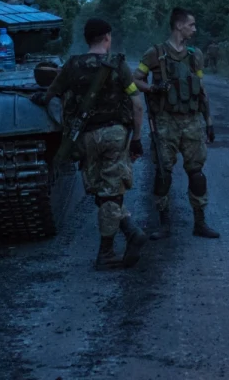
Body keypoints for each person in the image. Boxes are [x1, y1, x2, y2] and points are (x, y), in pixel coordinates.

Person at [32, 18, 148, 270]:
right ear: (106, 37)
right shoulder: (118, 65)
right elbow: (137, 104)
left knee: (100, 190)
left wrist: (42, 97)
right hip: (115, 135)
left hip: (84, 138)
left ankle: (129, 230)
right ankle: (107, 251)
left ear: (87, 38)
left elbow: (51, 94)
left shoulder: (72, 65)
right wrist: (137, 139)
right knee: (111, 191)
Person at [134, 7, 220, 239]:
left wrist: (208, 120)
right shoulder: (155, 53)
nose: (194, 29)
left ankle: (200, 223)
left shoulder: (196, 55)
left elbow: (201, 90)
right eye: (191, 25)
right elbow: (135, 79)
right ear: (179, 26)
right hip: (165, 122)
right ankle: (163, 224)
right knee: (163, 174)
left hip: (192, 121)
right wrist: (152, 88)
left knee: (197, 174)